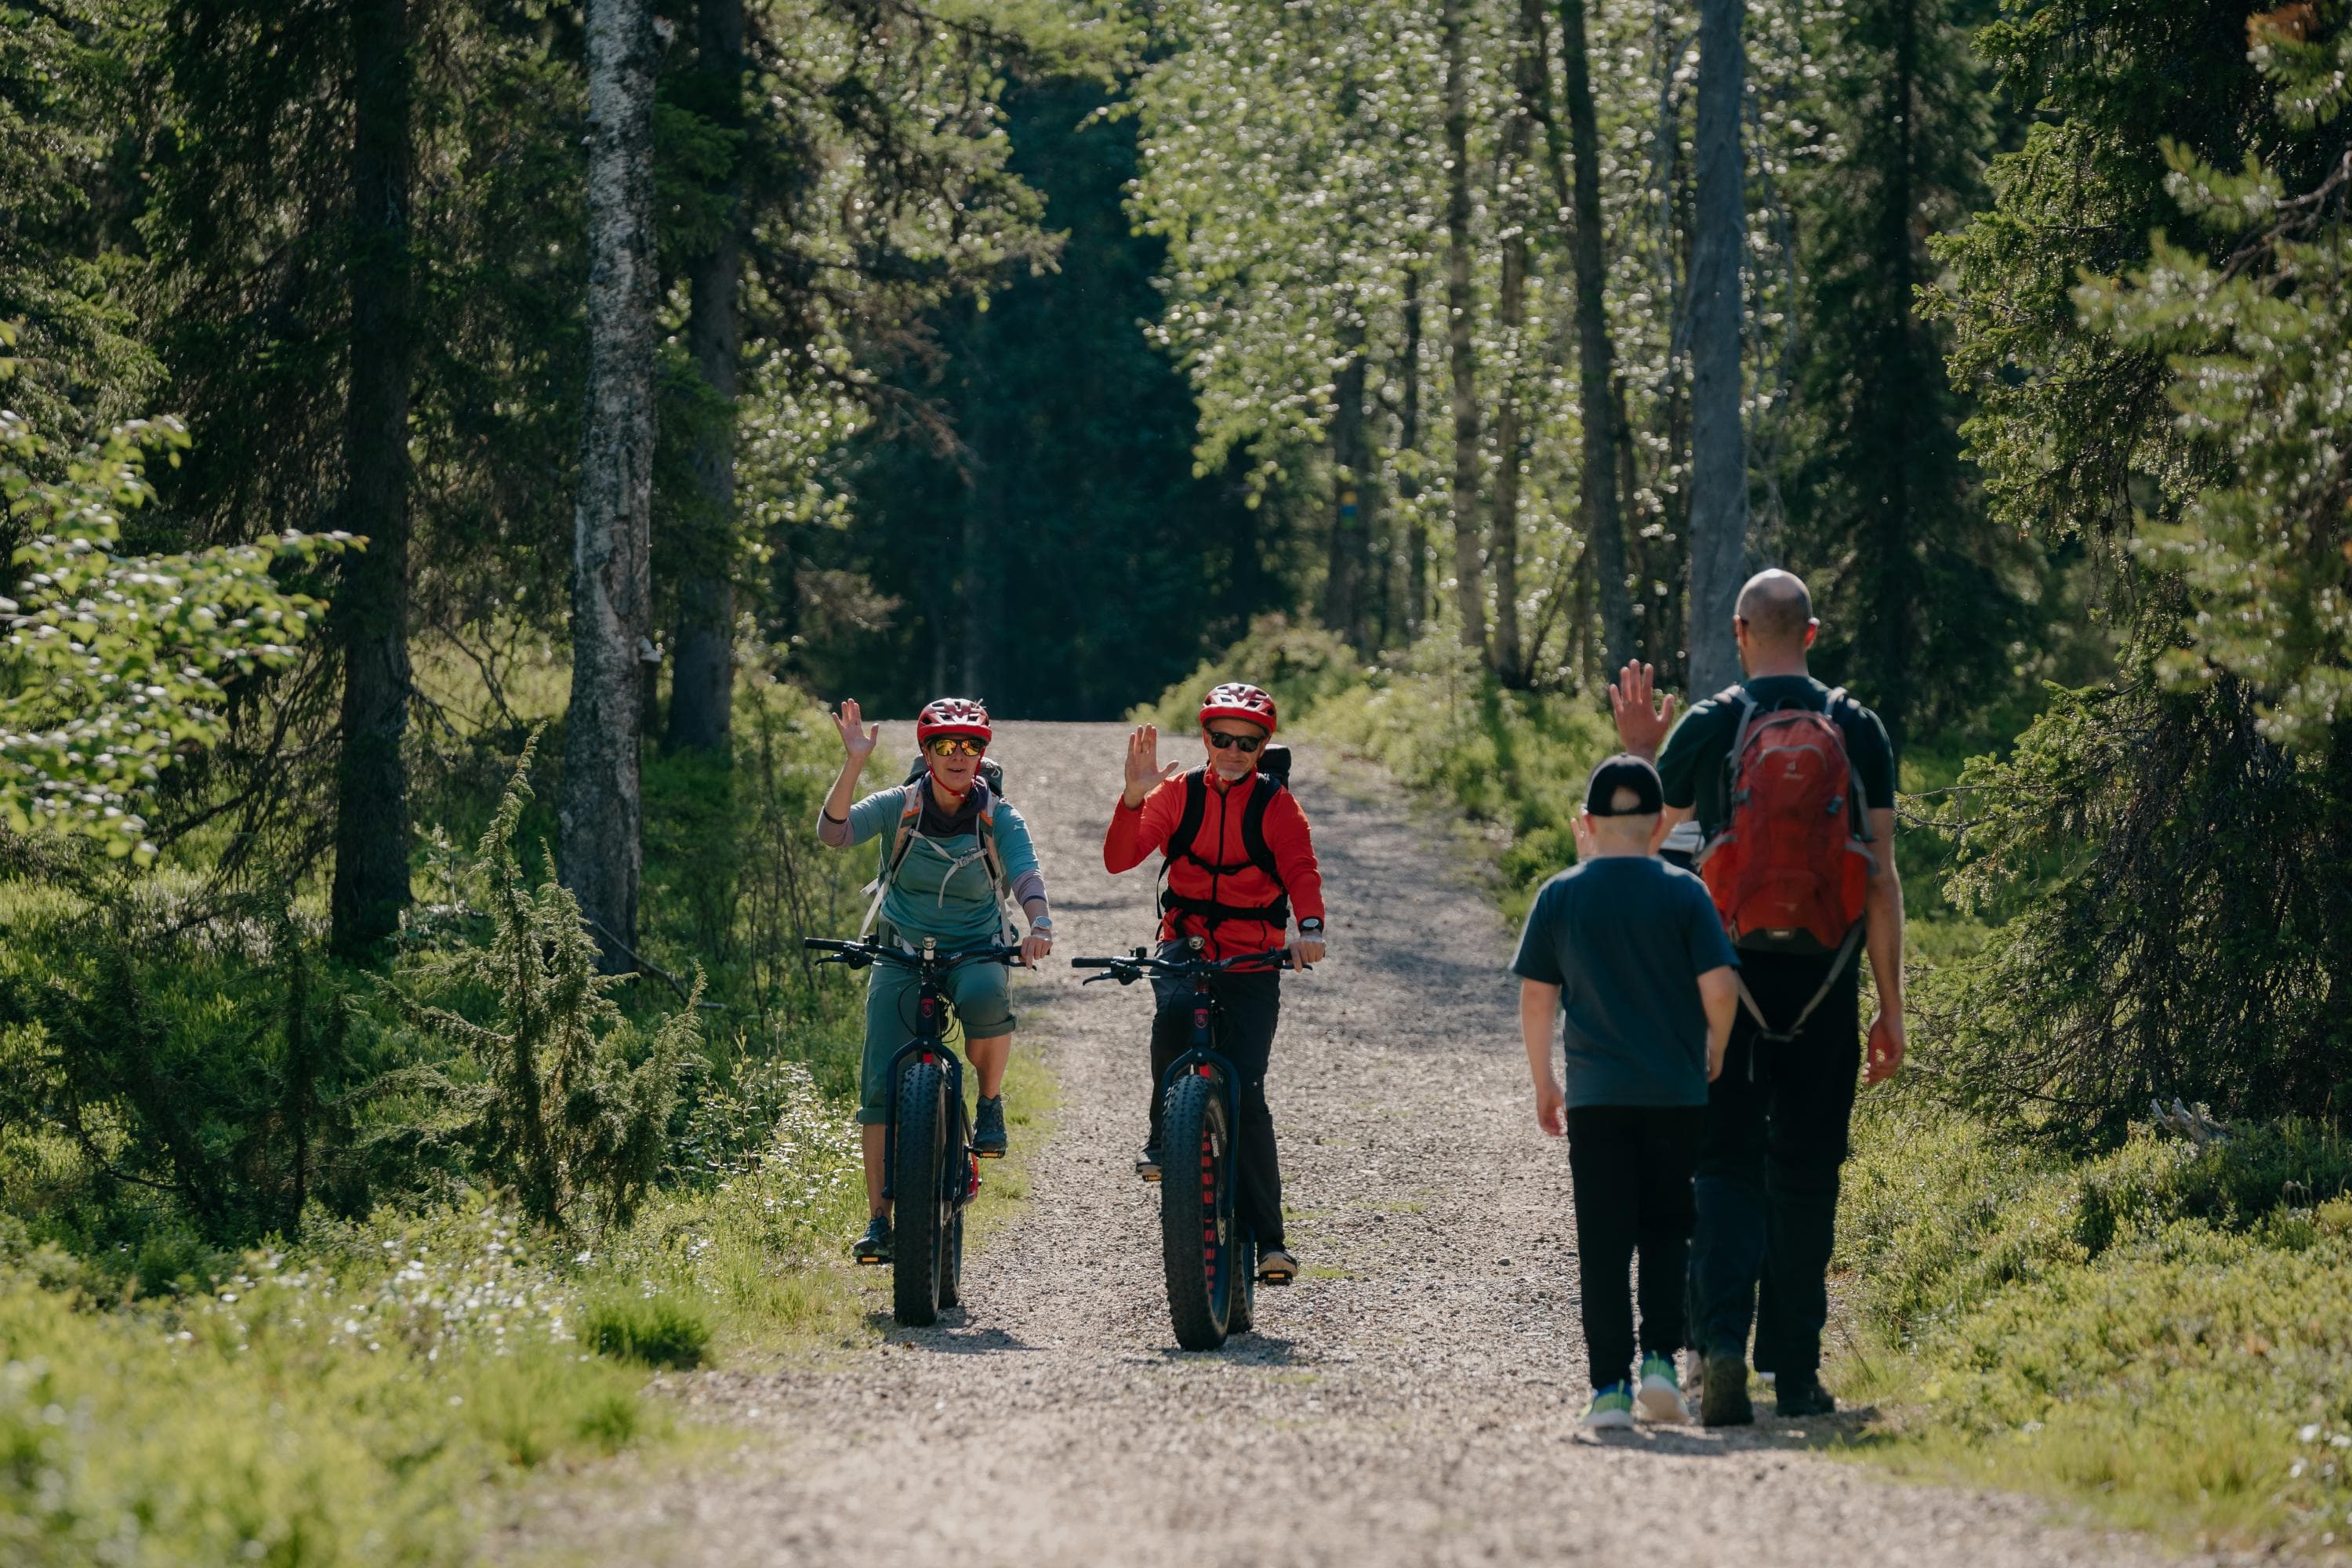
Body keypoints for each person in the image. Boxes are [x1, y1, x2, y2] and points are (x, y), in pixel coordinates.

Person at [1610, 568, 1906, 1425]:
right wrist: (1891, 1004)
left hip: (1725, 988)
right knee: (1808, 1176)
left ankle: (1722, 1345)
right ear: (1810, 634)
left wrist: (1637, 751)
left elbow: (1629, 846)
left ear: (1741, 632)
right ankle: (1799, 1373)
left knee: (1727, 1167)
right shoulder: (1858, 727)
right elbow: (1881, 876)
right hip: (1826, 988)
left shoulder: (1712, 722)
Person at [1514, 755, 1739, 1430]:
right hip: (1675, 1095)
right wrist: (1717, 1046)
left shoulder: (1560, 895)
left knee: (1604, 1242)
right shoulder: (1684, 892)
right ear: (1656, 826)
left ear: (1586, 823)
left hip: (1597, 1098)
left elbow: (1535, 996)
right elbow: (1722, 988)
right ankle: (1661, 1366)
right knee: (1669, 1230)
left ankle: (1609, 1389)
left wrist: (1543, 1081)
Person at [1102, 682, 1326, 1287]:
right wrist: (1132, 796)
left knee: (1247, 1092)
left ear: (1262, 748)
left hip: (1252, 958)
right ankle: (1160, 1134)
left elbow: (1301, 869)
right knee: (1171, 1022)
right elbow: (1121, 859)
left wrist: (1308, 928)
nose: (1232, 750)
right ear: (1205, 739)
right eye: (1222, 739)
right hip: (1187, 942)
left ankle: (1270, 1243)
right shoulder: (1176, 794)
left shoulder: (1277, 805)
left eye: (1247, 743)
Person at [818, 696, 1054, 1265]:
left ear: (981, 755)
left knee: (986, 995)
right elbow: (835, 834)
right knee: (879, 1083)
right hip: (900, 951)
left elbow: (1024, 872)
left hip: (974, 947)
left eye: (970, 746)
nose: (958, 756)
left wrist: (1039, 920)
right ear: (926, 753)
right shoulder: (898, 806)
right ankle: (879, 1219)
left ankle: (990, 1103)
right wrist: (853, 763)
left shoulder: (999, 816)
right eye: (945, 745)